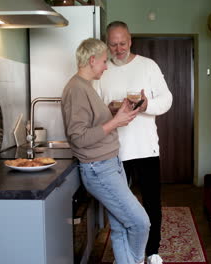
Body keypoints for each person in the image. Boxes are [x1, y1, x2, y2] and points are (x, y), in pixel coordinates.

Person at [61, 38, 150, 264]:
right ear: (92, 61)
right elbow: (79, 138)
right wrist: (116, 121)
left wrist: (116, 112)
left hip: (109, 164)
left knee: (120, 228)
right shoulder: (76, 89)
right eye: (103, 61)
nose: (106, 66)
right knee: (140, 222)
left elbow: (93, 124)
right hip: (99, 169)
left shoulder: (84, 86)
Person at [93, 21, 173, 264]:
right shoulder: (102, 71)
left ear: (131, 41)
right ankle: (127, 254)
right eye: (113, 44)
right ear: (107, 44)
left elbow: (167, 99)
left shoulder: (148, 66)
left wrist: (147, 105)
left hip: (145, 147)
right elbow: (94, 108)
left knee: (151, 202)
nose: (118, 49)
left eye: (123, 43)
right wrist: (107, 110)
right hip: (113, 150)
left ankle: (153, 252)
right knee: (120, 208)